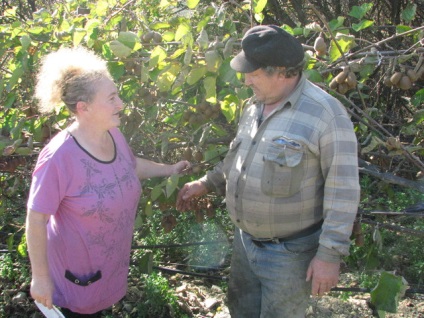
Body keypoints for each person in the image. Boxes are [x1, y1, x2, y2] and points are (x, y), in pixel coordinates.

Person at [176, 25, 360, 317]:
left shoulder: (327, 115)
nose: (246, 80)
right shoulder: (254, 106)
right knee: (241, 310)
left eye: (254, 72)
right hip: (244, 242)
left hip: (289, 254)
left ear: (283, 72)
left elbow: (344, 192)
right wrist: (207, 182)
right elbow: (239, 158)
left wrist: (329, 256)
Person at [26, 46, 190, 317]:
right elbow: (36, 218)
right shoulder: (59, 157)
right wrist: (40, 278)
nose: (121, 104)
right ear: (84, 107)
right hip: (75, 279)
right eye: (112, 98)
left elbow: (131, 166)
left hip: (107, 268)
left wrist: (170, 169)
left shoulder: (113, 135)